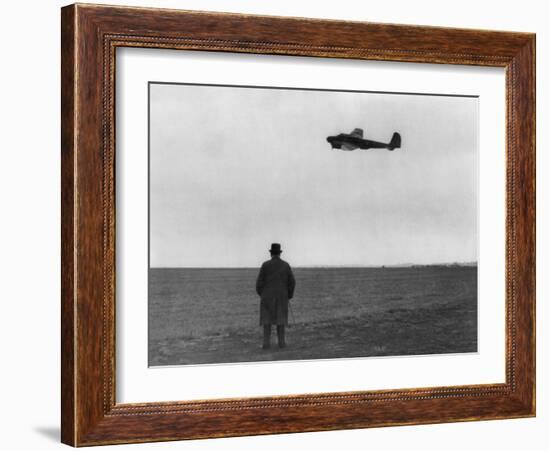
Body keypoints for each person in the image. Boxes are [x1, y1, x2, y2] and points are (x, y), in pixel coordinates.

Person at [255, 243, 296, 349]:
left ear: (271, 253)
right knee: (281, 320)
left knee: (266, 321)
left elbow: (259, 283)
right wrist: (288, 295)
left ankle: (266, 344)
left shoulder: (265, 265)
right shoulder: (286, 265)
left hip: (267, 298)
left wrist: (262, 294)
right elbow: (292, 282)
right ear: (279, 253)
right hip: (282, 297)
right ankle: (281, 343)